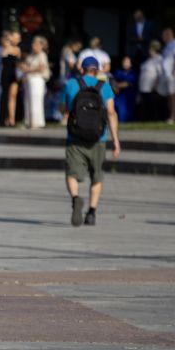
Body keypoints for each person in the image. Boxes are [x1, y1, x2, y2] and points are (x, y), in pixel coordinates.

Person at [60, 56, 120, 226]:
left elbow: (63, 108)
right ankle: (92, 213)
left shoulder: (72, 84)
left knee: (71, 174)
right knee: (97, 176)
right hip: (98, 138)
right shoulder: (105, 87)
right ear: (98, 70)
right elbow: (111, 113)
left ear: (82, 69)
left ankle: (75, 198)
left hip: (75, 137)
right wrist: (115, 139)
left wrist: (66, 109)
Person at [22, 35, 50, 129]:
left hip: (37, 79)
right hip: (29, 80)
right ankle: (29, 121)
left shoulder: (42, 55)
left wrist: (29, 70)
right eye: (33, 44)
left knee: (36, 101)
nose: (33, 46)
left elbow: (42, 67)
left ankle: (36, 122)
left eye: (36, 44)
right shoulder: (31, 55)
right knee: (28, 101)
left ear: (41, 45)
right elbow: (25, 65)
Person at [158, 27, 175, 124]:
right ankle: (168, 116)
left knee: (172, 95)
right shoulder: (167, 46)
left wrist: (174, 70)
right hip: (166, 74)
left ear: (168, 35)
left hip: (173, 73)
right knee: (167, 95)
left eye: (163, 36)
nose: (162, 38)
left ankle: (173, 117)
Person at [0, 31, 22, 127]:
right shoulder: (3, 48)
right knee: (5, 96)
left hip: (14, 74)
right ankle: (3, 119)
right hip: (5, 74)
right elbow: (2, 55)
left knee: (13, 96)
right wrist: (7, 43)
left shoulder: (17, 49)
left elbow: (19, 63)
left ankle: (12, 119)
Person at [137, 40, 164, 121]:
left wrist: (156, 86)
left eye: (151, 49)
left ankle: (153, 120)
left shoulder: (159, 59)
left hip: (152, 88)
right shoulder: (148, 60)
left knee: (152, 106)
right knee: (145, 106)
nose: (149, 50)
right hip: (143, 87)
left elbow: (160, 74)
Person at [113, 56, 137, 122]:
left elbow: (128, 84)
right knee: (119, 112)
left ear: (131, 64)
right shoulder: (118, 71)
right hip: (119, 96)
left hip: (129, 96)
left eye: (127, 62)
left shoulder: (133, 73)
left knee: (128, 113)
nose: (125, 63)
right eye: (124, 62)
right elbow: (113, 82)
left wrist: (118, 85)